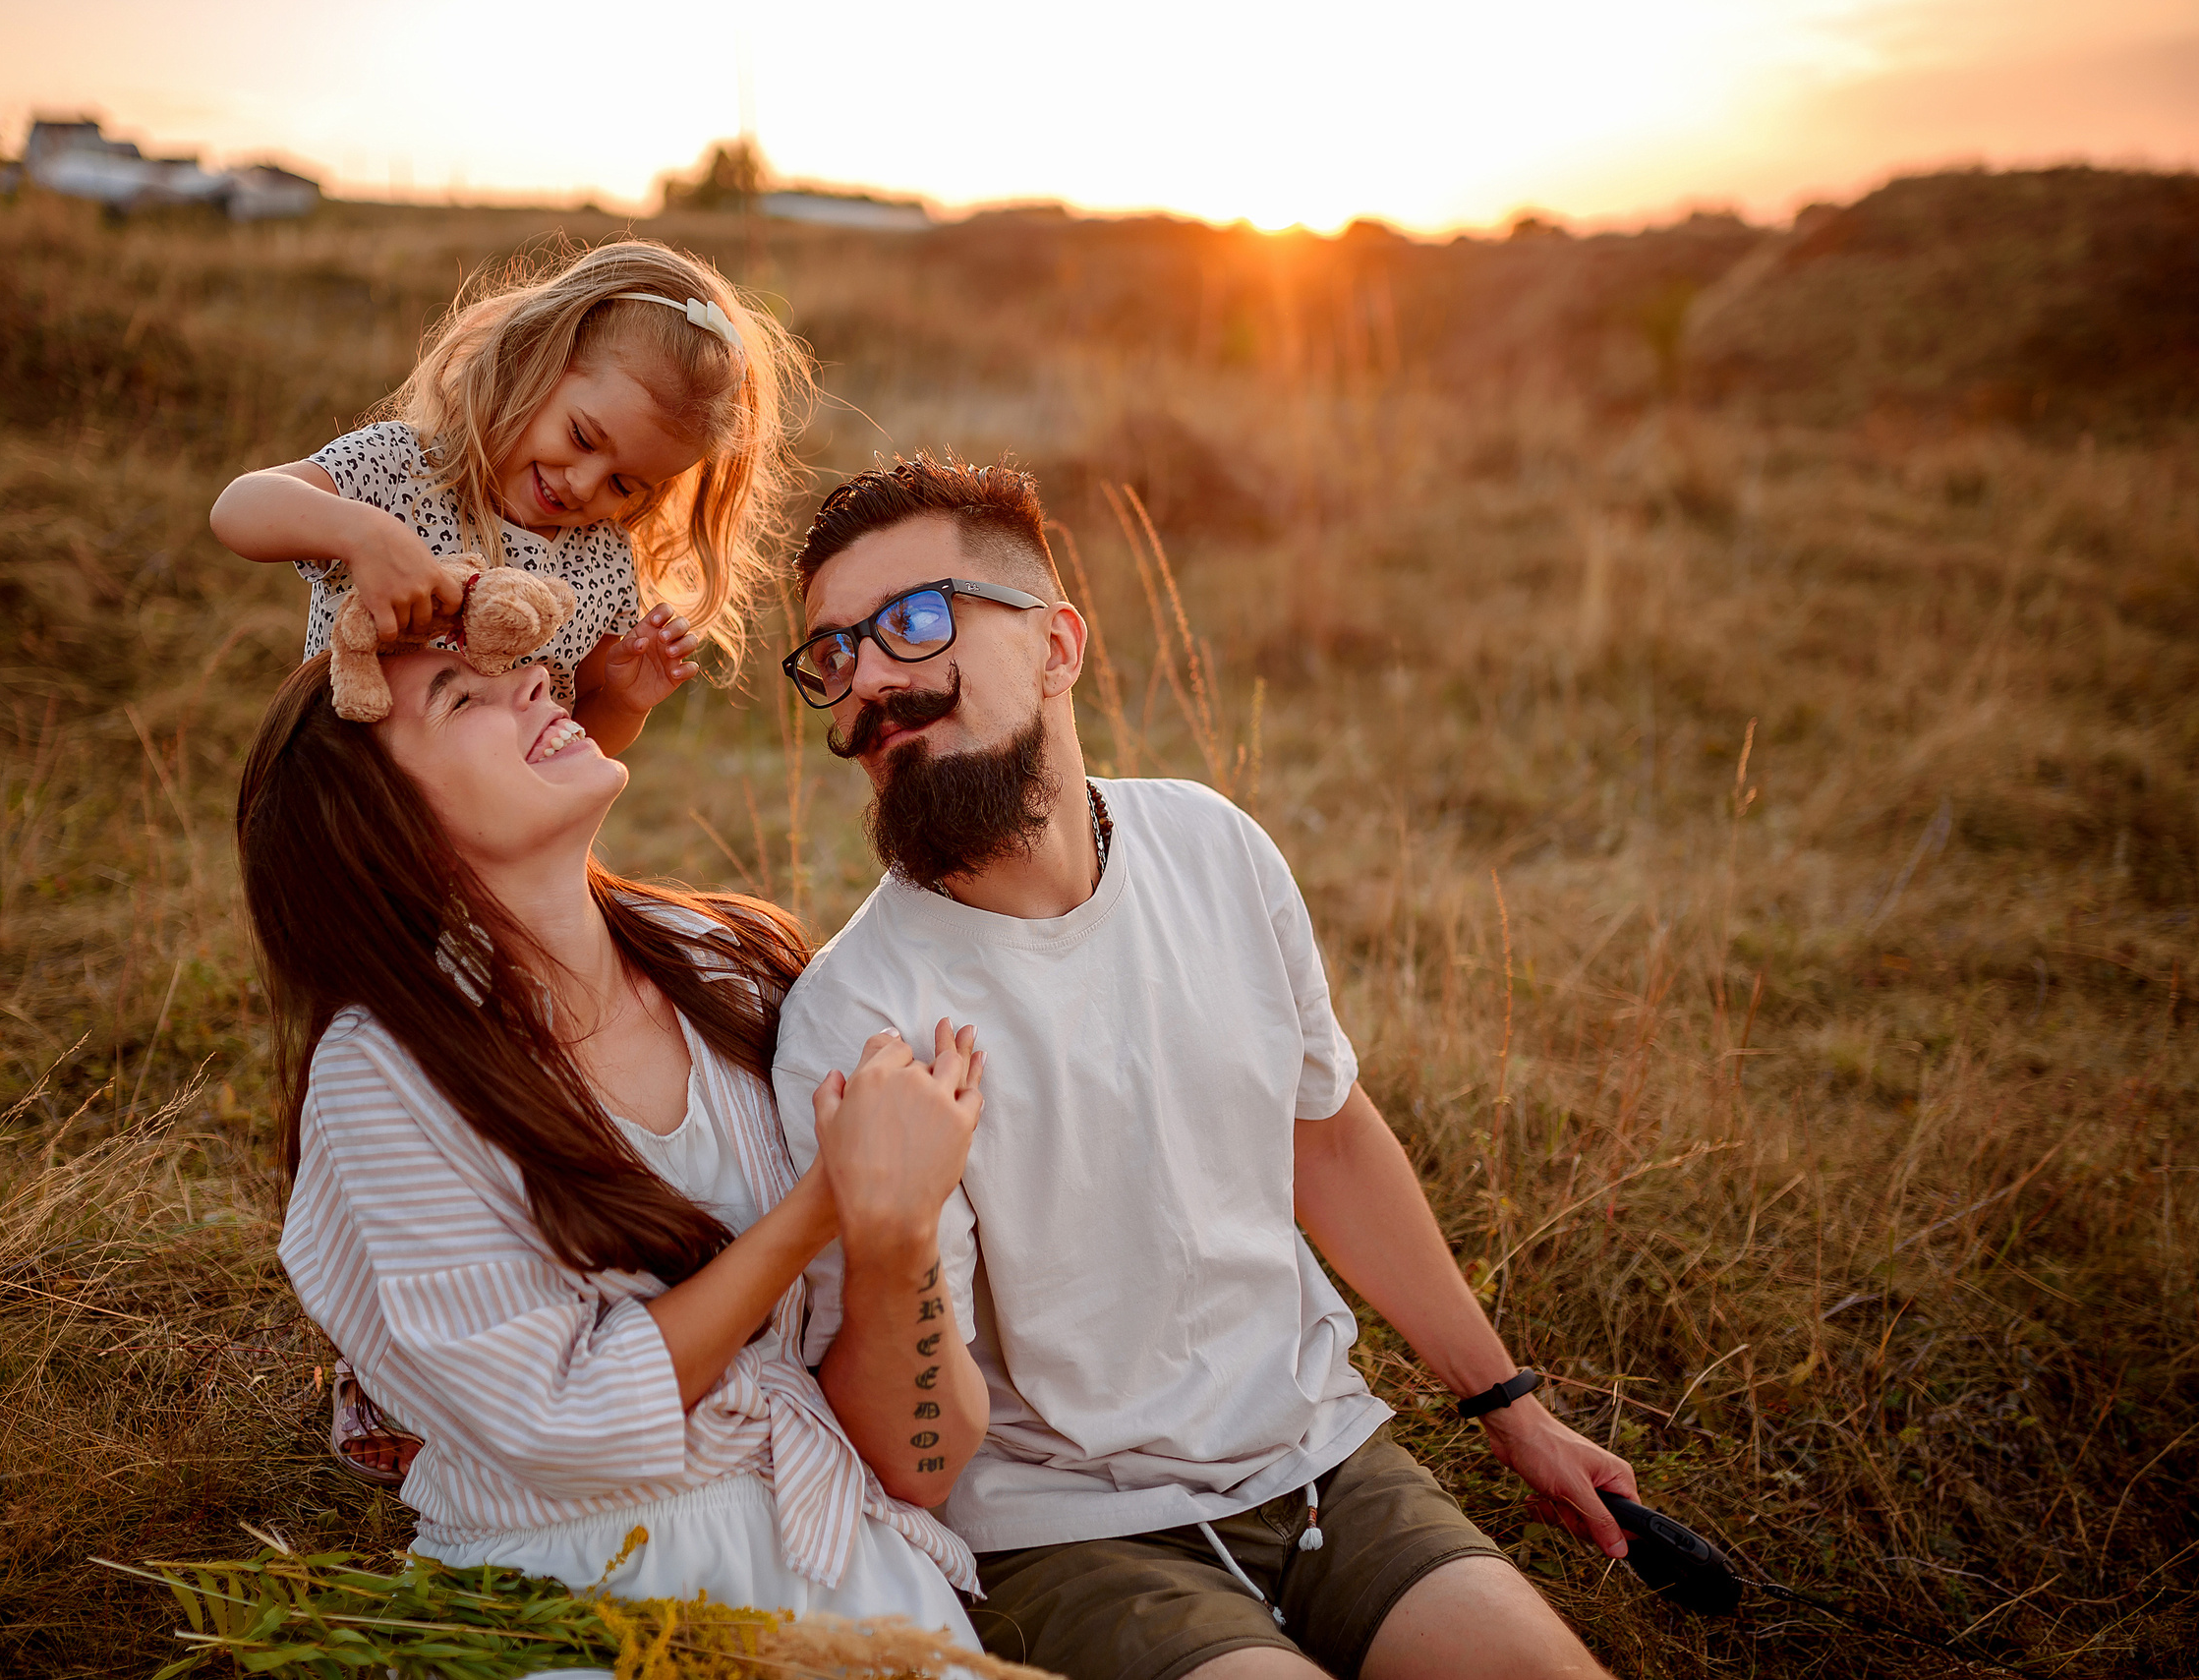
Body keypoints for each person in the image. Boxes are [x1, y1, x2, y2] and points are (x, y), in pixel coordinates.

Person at [771, 456, 1638, 1680]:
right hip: (1067, 1540)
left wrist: (1511, 1407)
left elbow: (1322, 1137)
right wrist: (893, 1238)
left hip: (1323, 1463)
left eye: (913, 621)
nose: (868, 682)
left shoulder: (1214, 844)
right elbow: (917, 1460)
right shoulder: (856, 1022)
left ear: (1058, 644)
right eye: (834, 655)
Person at [236, 643, 985, 1637]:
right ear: (376, 823)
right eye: (463, 695)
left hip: (850, 1556)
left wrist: (897, 1226)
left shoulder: (730, 966)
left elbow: (919, 1449)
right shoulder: (382, 1070)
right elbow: (561, 1421)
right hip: (581, 1580)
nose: (538, 684)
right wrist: (819, 1207)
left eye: (522, 667)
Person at [211, 239, 807, 758]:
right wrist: (361, 534)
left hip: (481, 837)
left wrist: (624, 703)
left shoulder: (600, 563)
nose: (583, 484)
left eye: (624, 485)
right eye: (582, 437)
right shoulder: (401, 470)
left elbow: (573, 736)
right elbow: (239, 508)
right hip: (347, 795)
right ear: (535, 360)